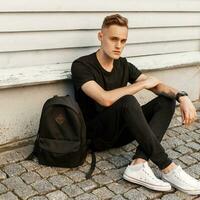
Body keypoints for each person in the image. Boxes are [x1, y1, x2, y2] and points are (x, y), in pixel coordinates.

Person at [71, 14, 199, 195]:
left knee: (165, 101)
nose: (118, 46)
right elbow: (104, 98)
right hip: (96, 136)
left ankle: (138, 164)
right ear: (101, 36)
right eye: (114, 39)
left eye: (123, 41)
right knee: (127, 100)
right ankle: (167, 167)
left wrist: (181, 96)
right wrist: (141, 85)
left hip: (120, 133)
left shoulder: (123, 65)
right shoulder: (81, 66)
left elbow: (156, 85)